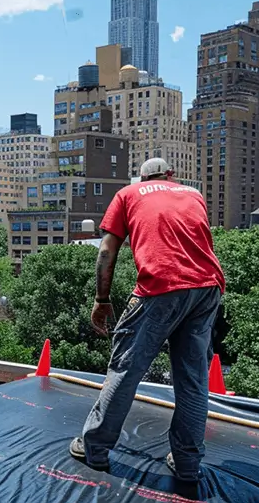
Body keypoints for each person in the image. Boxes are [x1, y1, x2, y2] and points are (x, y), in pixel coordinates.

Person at [69, 158, 225, 482]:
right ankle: (187, 464)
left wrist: (101, 300)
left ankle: (94, 448)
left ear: (141, 177)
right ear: (170, 175)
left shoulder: (129, 194)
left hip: (161, 286)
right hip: (207, 288)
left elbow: (107, 251)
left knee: (125, 369)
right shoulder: (192, 194)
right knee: (194, 379)